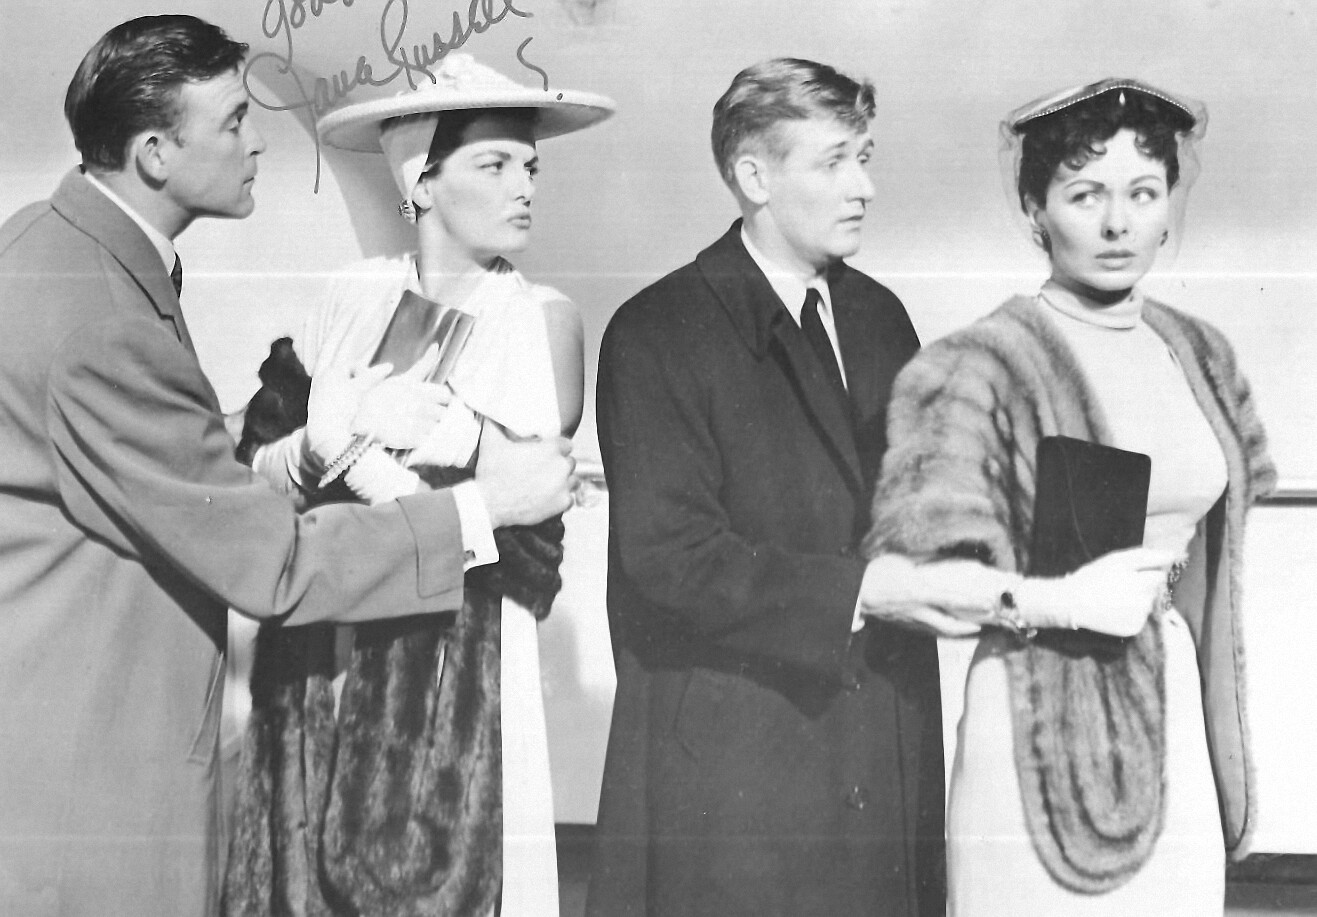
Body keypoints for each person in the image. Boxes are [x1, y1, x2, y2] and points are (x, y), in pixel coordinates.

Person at [0, 16, 575, 917]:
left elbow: (170, 458)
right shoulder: (106, 318)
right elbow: (271, 560)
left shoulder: (50, 241)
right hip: (98, 769)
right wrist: (481, 504)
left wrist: (311, 442)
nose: (258, 141)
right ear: (155, 154)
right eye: (234, 121)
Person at [863, 78, 1275, 915]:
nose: (1117, 224)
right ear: (1034, 209)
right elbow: (897, 580)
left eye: (1142, 193)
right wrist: (1059, 600)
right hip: (1032, 718)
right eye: (1085, 195)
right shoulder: (979, 365)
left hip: (1170, 707)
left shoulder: (1197, 353)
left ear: (1168, 206)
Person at [222, 55, 613, 917]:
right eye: (494, 164)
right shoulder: (350, 296)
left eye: (530, 166)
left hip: (455, 659)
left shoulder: (541, 319)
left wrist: (364, 450)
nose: (524, 187)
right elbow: (254, 471)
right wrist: (317, 444)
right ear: (420, 181)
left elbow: (521, 521)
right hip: (324, 644)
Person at [588, 58, 946, 917]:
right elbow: (671, 557)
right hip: (737, 785)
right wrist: (862, 592)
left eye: (864, 157)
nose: (863, 186)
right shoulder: (655, 331)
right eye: (833, 162)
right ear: (753, 177)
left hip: (879, 763)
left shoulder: (882, 318)